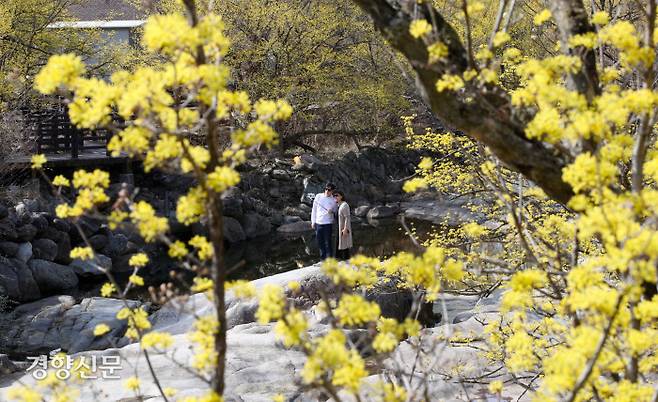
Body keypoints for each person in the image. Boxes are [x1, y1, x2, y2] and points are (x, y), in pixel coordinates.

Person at [311, 182, 337, 260]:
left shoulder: (333, 200)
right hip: (318, 223)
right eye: (326, 189)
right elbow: (314, 210)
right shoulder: (318, 196)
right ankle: (323, 259)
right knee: (320, 242)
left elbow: (336, 210)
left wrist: (332, 211)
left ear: (332, 191)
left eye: (329, 190)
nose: (327, 191)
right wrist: (313, 221)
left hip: (328, 224)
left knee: (328, 242)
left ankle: (330, 260)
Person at [333, 190, 352, 260]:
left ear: (341, 196)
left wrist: (345, 229)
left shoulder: (344, 205)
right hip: (338, 227)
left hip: (343, 228)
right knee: (339, 244)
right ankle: (340, 259)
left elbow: (347, 217)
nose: (335, 197)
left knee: (344, 244)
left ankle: (346, 260)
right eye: (334, 196)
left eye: (337, 195)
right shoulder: (339, 205)